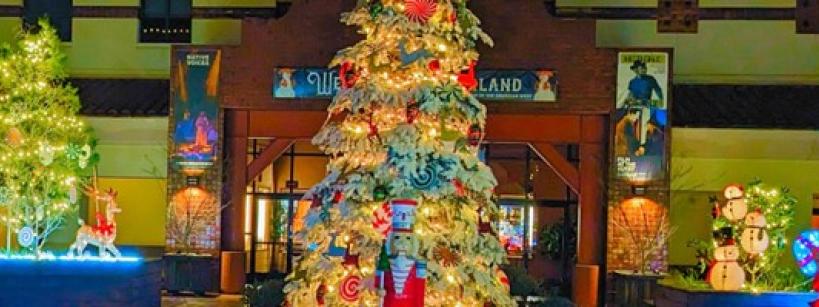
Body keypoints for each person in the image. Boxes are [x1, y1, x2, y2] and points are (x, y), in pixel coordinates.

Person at [617, 60, 664, 155]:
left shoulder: (650, 79)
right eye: (641, 68)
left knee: (644, 123)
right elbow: (630, 94)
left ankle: (642, 146)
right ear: (636, 70)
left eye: (644, 67)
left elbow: (658, 90)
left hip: (645, 105)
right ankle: (631, 144)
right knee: (628, 122)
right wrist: (628, 100)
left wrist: (661, 100)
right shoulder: (632, 82)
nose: (643, 69)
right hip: (634, 106)